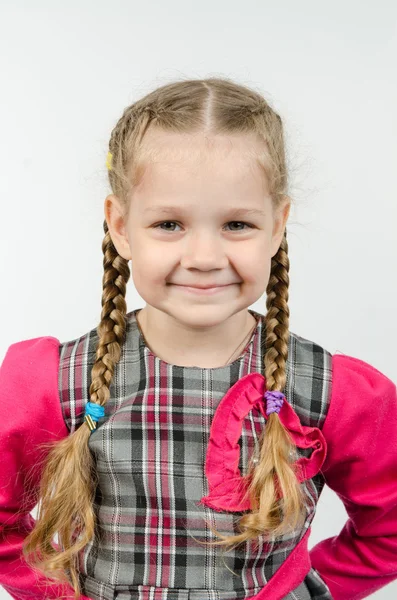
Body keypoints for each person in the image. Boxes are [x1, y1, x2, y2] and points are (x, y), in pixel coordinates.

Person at [0, 77, 396, 600]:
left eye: (237, 224)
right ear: (121, 226)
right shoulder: (53, 382)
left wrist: (300, 588)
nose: (205, 256)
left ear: (278, 225)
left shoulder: (334, 392)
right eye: (169, 224)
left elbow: (388, 530)